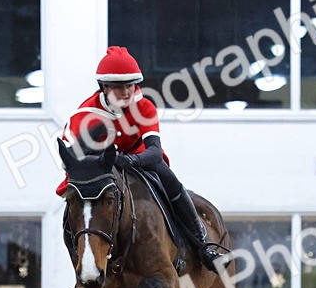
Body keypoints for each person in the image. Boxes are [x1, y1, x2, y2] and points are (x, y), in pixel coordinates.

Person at [56, 46, 222, 271]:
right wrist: (97, 130)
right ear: (104, 87)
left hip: (140, 158)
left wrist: (132, 161)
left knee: (169, 178)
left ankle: (203, 245)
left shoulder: (144, 106)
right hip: (100, 166)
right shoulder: (85, 113)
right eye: (119, 87)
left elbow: (155, 151)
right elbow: (70, 159)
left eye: (130, 85)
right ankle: (80, 263)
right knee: (77, 202)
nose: (126, 92)